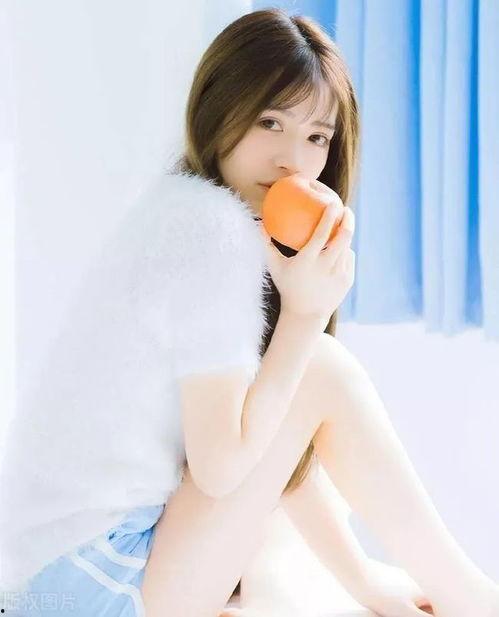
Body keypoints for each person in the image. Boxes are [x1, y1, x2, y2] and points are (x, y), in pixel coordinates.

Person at [0, 8, 497, 617]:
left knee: (306, 378)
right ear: (219, 110)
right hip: (90, 585)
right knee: (319, 366)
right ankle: (473, 599)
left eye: (317, 137)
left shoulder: (186, 209)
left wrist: (364, 581)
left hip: (56, 579)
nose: (294, 159)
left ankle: (464, 595)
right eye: (270, 122)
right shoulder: (209, 232)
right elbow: (221, 470)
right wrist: (304, 319)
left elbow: (275, 444)